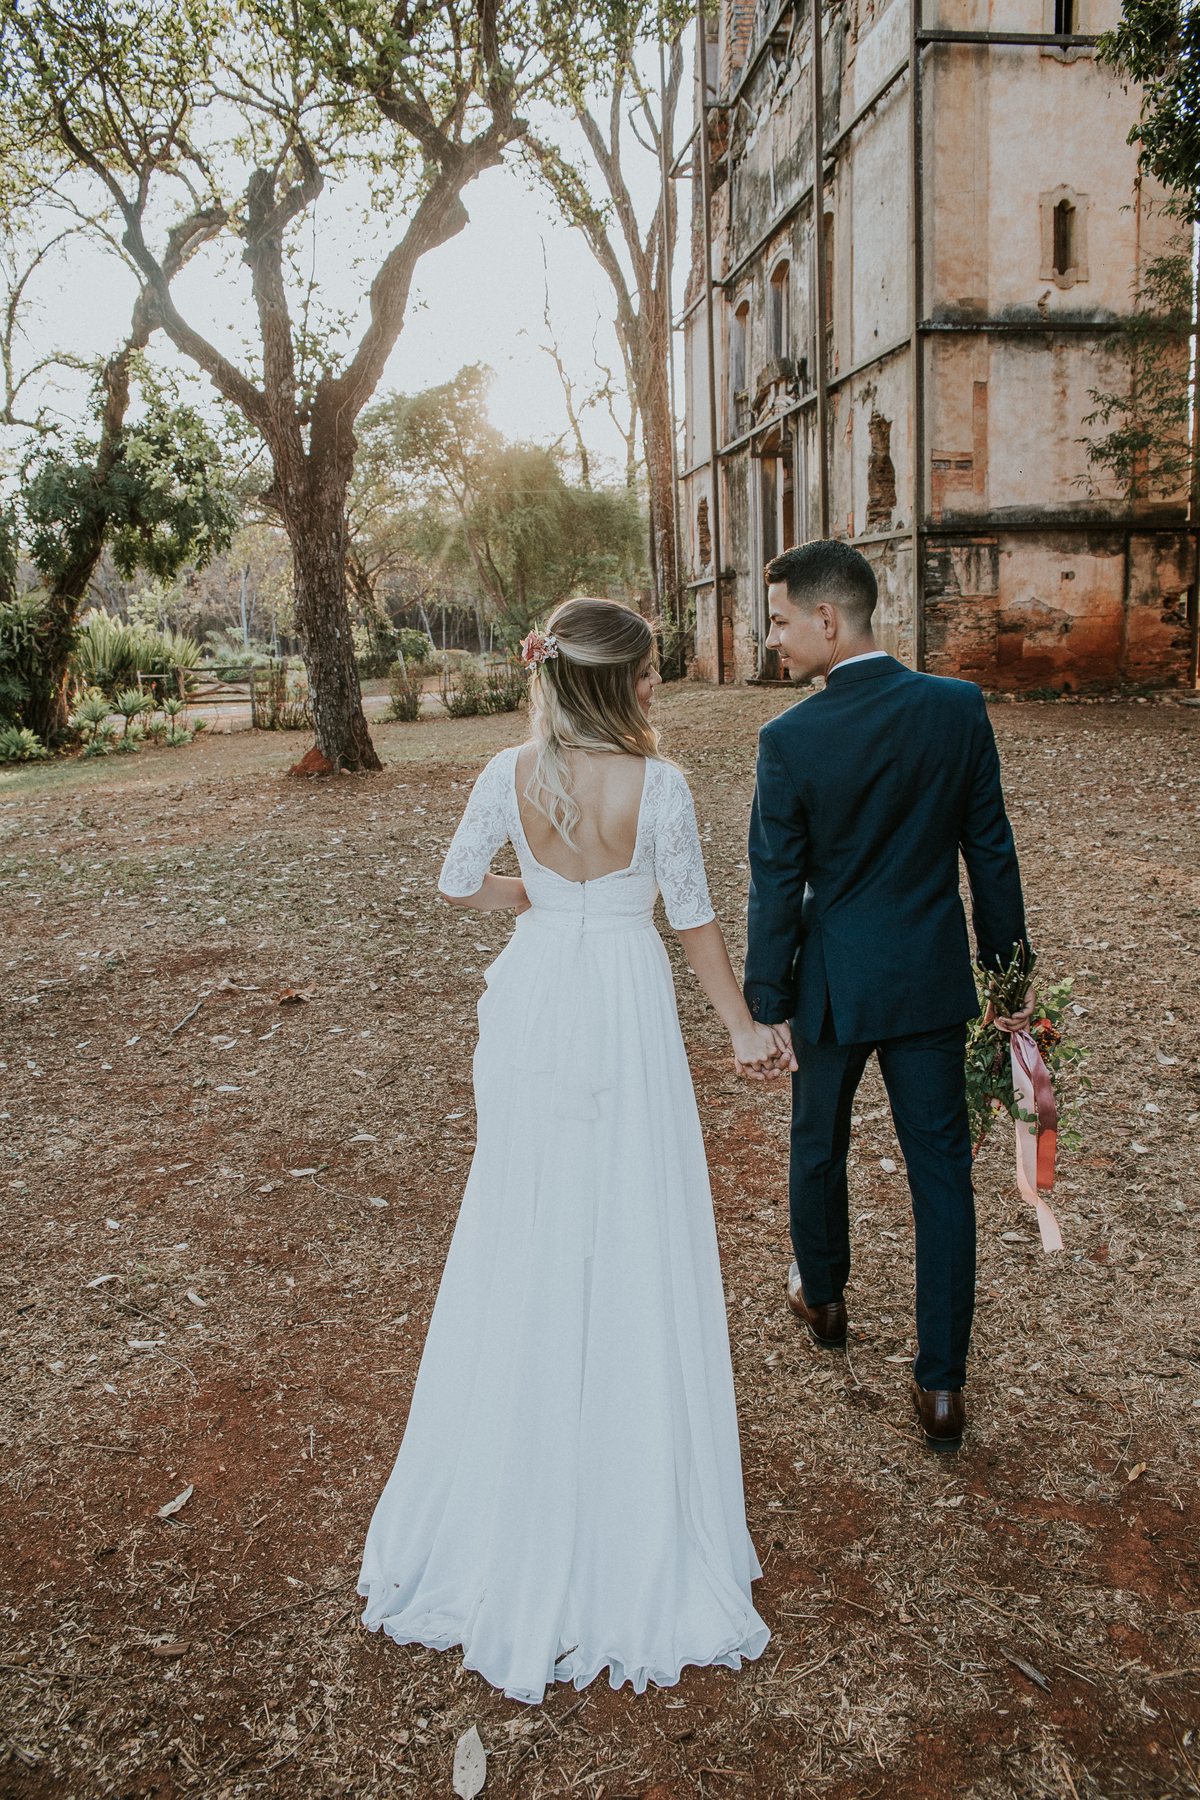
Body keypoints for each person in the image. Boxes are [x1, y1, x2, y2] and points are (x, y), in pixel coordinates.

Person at [358, 597, 785, 1704]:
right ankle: (627, 1471)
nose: (656, 686)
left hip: (543, 994)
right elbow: (689, 921)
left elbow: (458, 885)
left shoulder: (509, 772)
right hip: (626, 1004)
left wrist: (537, 896)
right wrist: (743, 1032)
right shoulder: (666, 787)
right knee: (629, 1214)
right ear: (623, 681)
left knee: (528, 1214)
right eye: (648, 672)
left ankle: (525, 1447)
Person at [743, 541, 1031, 1452]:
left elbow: (776, 883)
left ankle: (822, 1299)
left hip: (832, 987)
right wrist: (1011, 980)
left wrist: (765, 999)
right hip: (931, 981)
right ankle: (941, 1386)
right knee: (941, 1174)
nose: (773, 639)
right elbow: (990, 852)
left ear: (828, 620)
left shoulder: (790, 738)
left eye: (782, 621)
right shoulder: (956, 708)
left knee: (817, 1144)